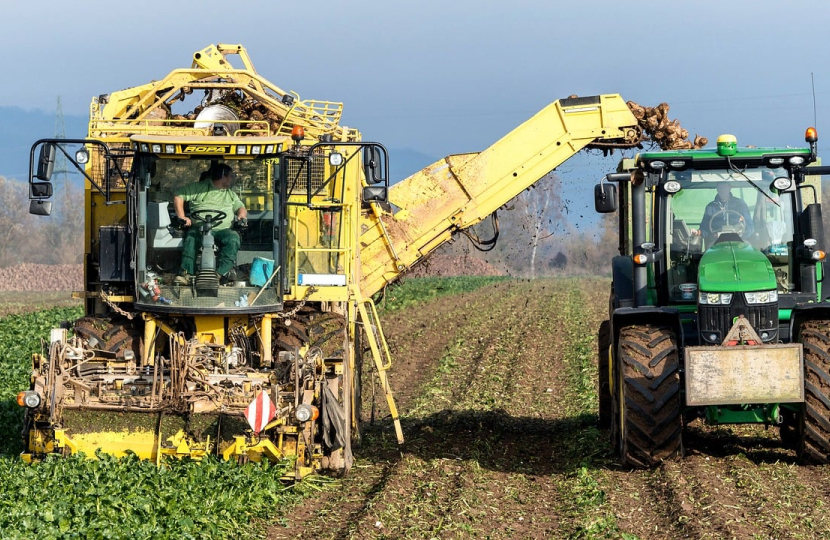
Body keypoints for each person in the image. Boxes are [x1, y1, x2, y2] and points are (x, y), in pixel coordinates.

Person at [173, 163, 247, 284]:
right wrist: (182, 217)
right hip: (199, 228)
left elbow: (241, 207)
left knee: (233, 238)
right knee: (191, 239)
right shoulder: (198, 188)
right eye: (231, 176)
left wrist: (241, 216)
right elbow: (178, 196)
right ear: (223, 176)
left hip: (222, 230)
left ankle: (220, 274)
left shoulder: (230, 194)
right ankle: (186, 274)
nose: (232, 179)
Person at [697, 183, 753, 247]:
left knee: (747, 248)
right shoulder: (710, 207)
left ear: (729, 188)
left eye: (725, 187)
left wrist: (741, 233)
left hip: (739, 242)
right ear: (717, 189)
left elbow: (750, 227)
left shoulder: (740, 204)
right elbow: (705, 228)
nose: (722, 190)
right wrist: (699, 232)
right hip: (717, 242)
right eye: (720, 187)